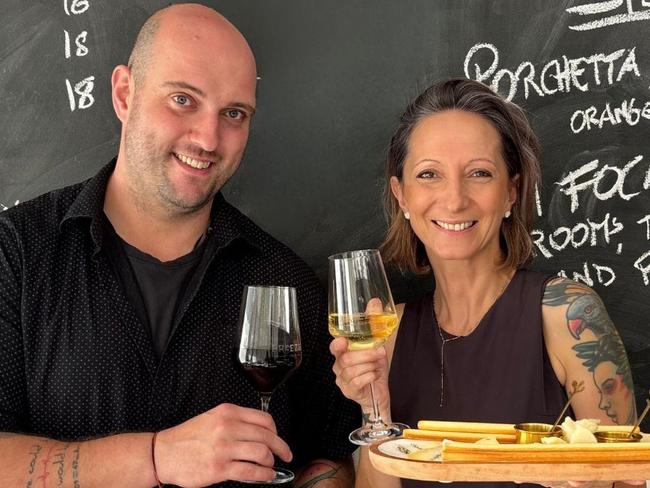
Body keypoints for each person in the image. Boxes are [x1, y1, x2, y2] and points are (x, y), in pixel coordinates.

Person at [0, 4, 359, 487]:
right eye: (183, 100)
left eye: (233, 113)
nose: (208, 138)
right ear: (125, 93)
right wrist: (156, 458)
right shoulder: (16, 254)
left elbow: (331, 456)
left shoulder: (286, 281)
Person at [329, 78, 639, 488]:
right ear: (401, 195)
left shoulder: (568, 314)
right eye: (429, 174)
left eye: (479, 173)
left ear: (511, 191)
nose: (454, 199)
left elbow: (627, 477)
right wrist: (377, 413)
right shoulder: (387, 333)